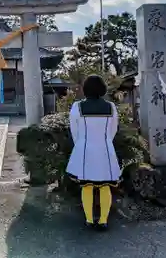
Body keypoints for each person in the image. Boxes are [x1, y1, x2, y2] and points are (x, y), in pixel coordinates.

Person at [66, 75, 121, 231]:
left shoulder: (77, 107)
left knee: (87, 185)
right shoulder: (111, 107)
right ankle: (103, 220)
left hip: (84, 150)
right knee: (105, 186)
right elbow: (113, 130)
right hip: (105, 149)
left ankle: (89, 220)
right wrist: (105, 142)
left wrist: (81, 144)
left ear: (85, 89)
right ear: (103, 89)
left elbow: (74, 130)